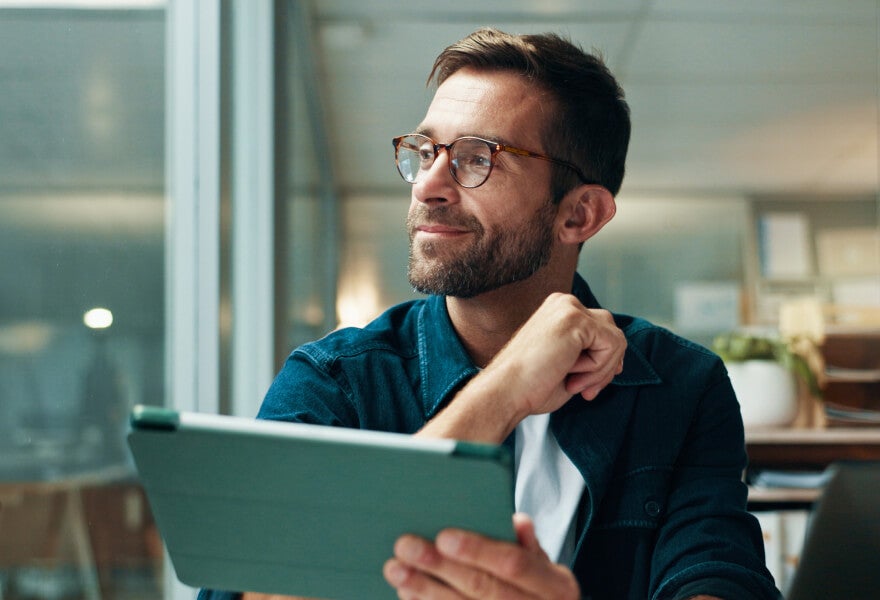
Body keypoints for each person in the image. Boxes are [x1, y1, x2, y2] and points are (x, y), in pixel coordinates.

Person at [200, 28, 780, 600]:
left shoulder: (681, 385)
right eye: (426, 152)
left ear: (579, 215)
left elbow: (719, 578)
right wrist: (503, 390)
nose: (429, 184)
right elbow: (250, 587)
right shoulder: (337, 379)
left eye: (478, 158)